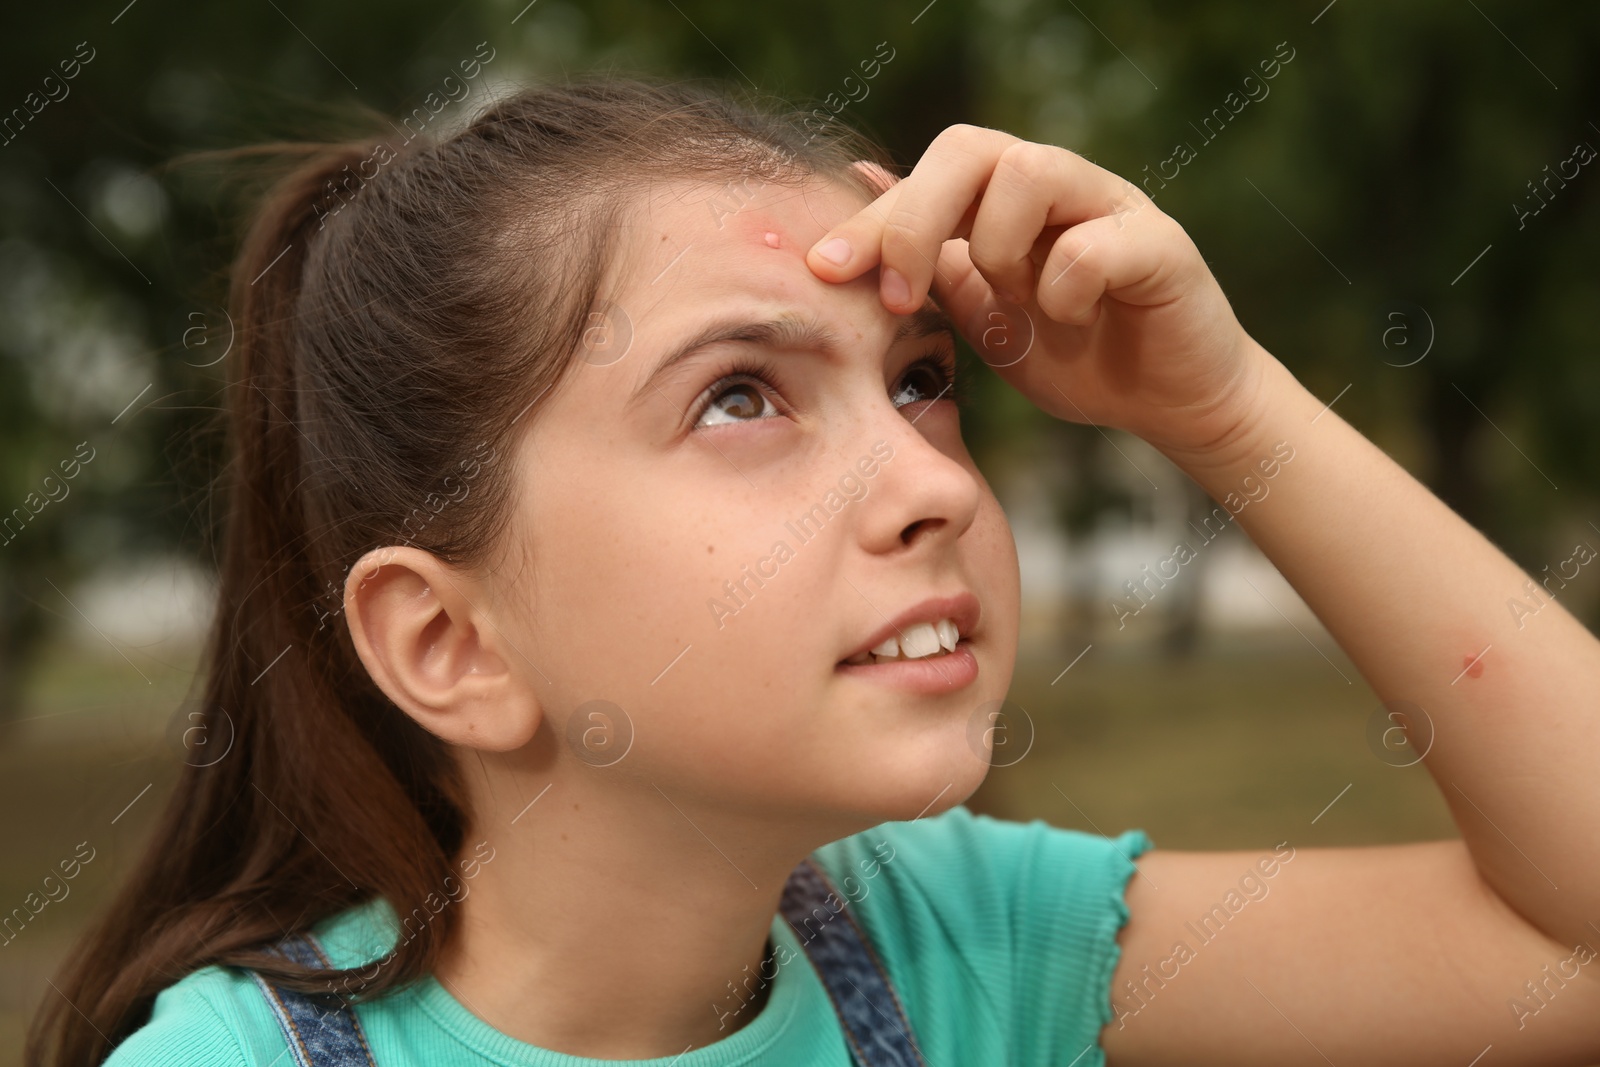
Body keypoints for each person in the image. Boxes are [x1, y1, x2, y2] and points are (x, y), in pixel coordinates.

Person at [28, 75, 1600, 1067]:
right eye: (741, 397)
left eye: (920, 378)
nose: (928, 485)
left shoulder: (966, 949)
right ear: (451, 644)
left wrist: (1224, 405)